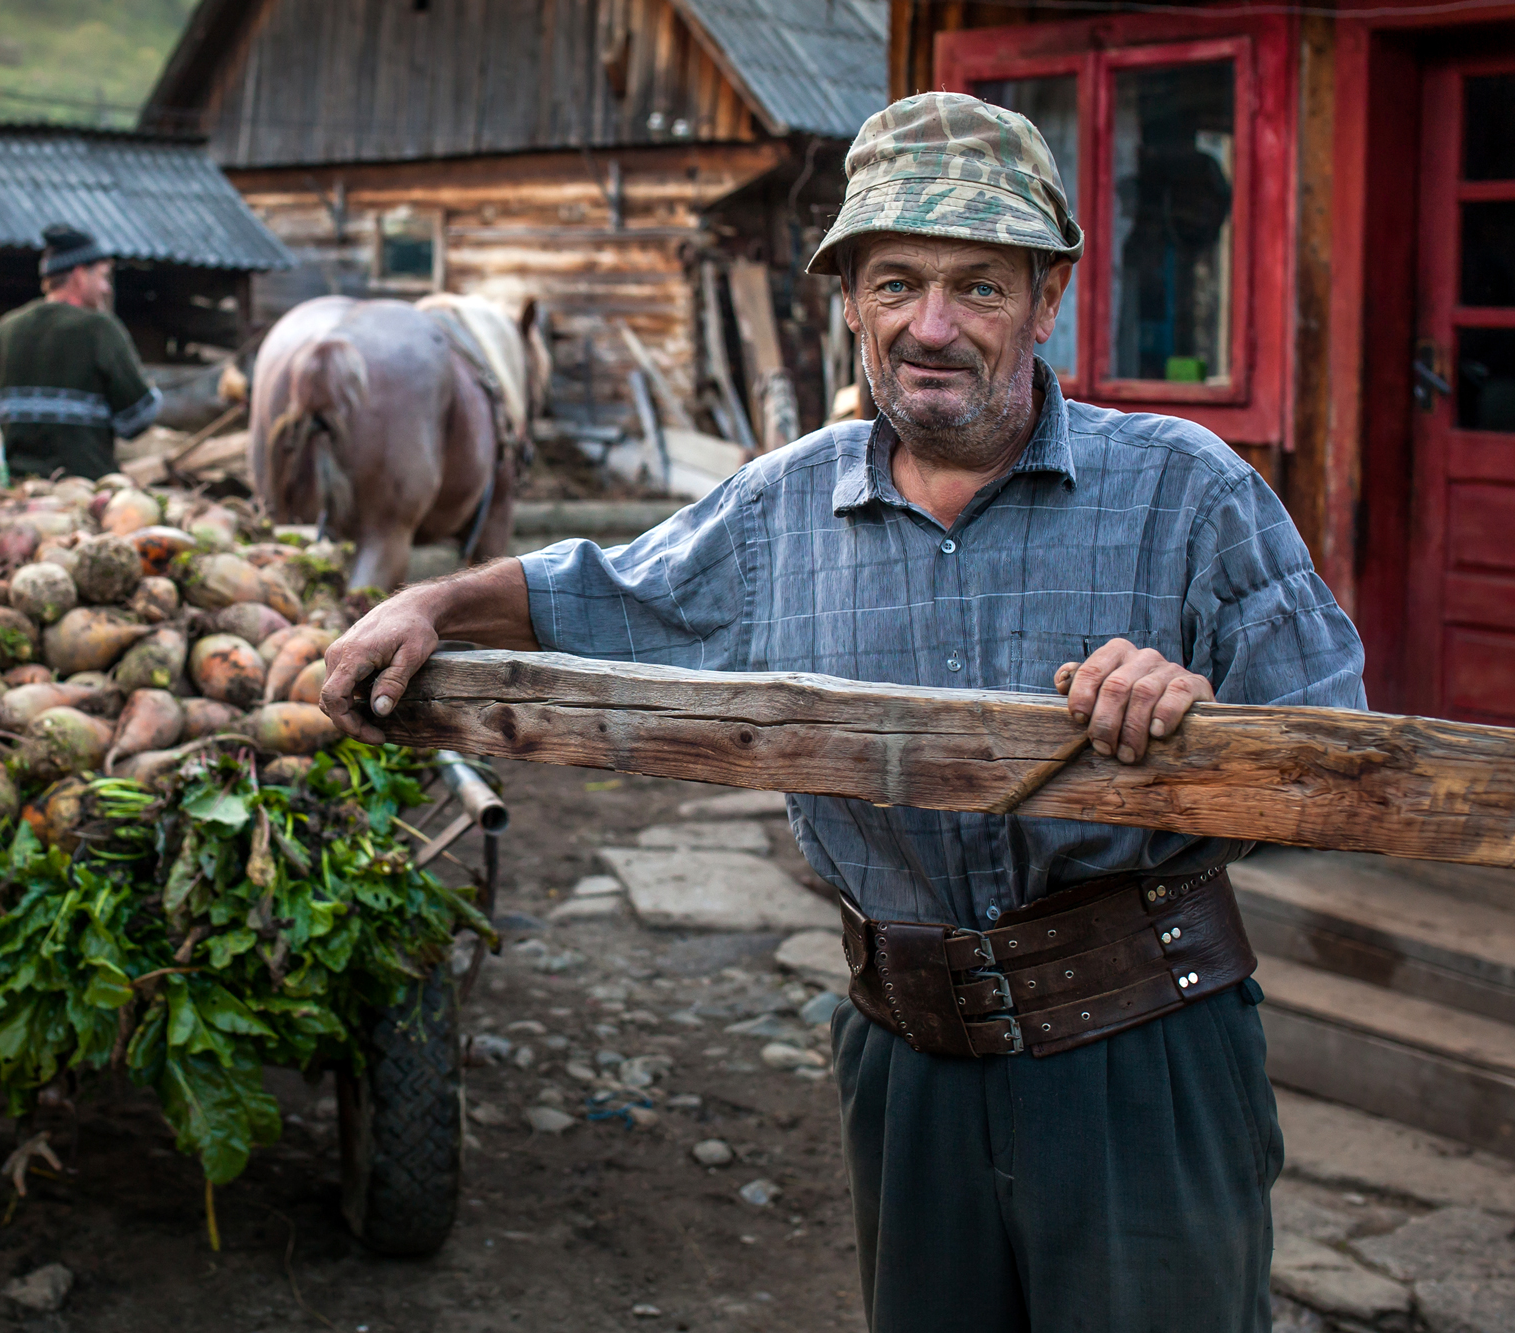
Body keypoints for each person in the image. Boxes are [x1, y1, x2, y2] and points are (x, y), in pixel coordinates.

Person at [317, 93, 1366, 1332]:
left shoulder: (1182, 491)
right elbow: (588, 590)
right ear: (849, 299)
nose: (930, 326)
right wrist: (430, 602)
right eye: (894, 283)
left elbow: (1332, 761)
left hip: (1138, 1048)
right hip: (905, 1057)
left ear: (1048, 297)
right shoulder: (779, 511)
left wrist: (1198, 715)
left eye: (979, 286)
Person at [0, 224, 162, 480]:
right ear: (79, 275)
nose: (105, 288)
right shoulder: (99, 330)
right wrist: (151, 393)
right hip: (87, 488)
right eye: (102, 276)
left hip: (21, 485)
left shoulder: (6, 329)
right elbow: (137, 419)